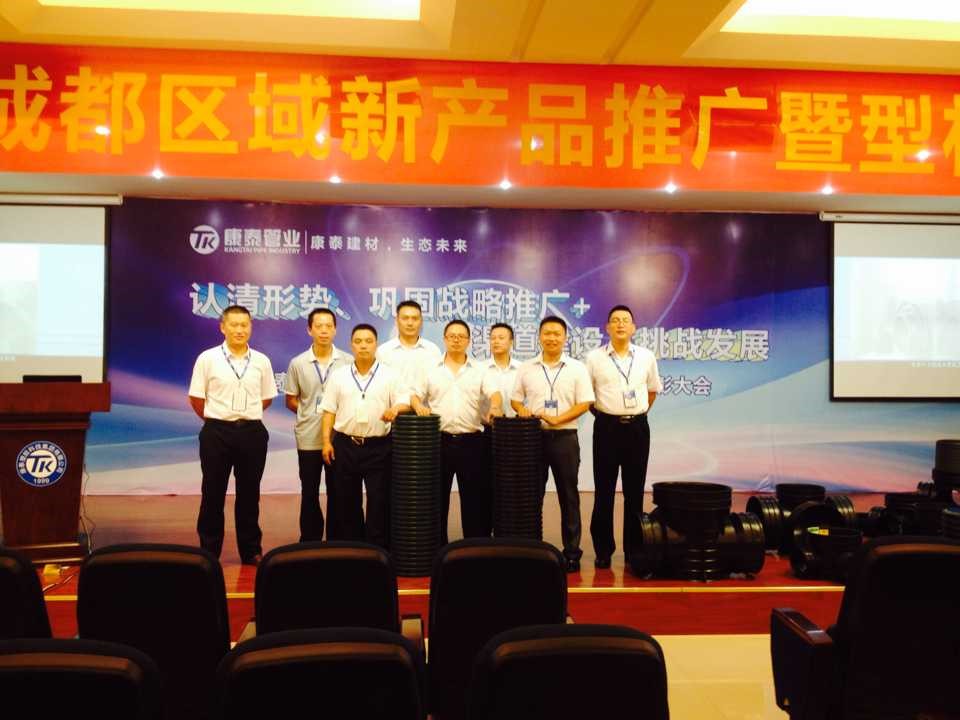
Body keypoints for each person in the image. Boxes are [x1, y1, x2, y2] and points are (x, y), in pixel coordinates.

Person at [188, 305, 277, 565]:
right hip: (216, 432)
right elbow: (196, 398)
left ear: (251, 327)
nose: (240, 330)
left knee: (249, 494)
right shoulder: (208, 358)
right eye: (234, 325)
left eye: (244, 325)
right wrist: (217, 418)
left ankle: (250, 550)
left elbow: (266, 397)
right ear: (222, 327)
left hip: (252, 432)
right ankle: (209, 550)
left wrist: (243, 416)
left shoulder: (261, 360)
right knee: (212, 493)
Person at [511, 316, 595, 572]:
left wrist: (559, 419)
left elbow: (585, 402)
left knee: (568, 496)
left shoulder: (577, 368)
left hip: (565, 438)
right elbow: (515, 399)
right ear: (539, 336)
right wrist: (522, 410)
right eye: (547, 333)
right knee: (531, 496)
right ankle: (532, 548)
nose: (551, 338)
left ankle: (572, 553)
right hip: (533, 438)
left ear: (565, 337)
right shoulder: (527, 367)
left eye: (557, 333)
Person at [411, 319, 503, 544]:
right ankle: (437, 549)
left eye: (461, 336)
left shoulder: (480, 370)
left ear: (468, 341)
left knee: (474, 500)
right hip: (438, 442)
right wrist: (418, 405)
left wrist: (495, 406)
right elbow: (414, 394)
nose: (456, 340)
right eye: (452, 336)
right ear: (444, 339)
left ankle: (474, 548)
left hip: (472, 442)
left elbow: (495, 393)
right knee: (436, 498)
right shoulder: (430, 368)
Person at [585, 305, 662, 569]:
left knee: (634, 492)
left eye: (625, 320)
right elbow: (587, 396)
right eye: (615, 320)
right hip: (606, 428)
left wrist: (635, 413)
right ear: (607, 327)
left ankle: (634, 549)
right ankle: (603, 550)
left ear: (633, 328)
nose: (620, 324)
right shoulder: (593, 358)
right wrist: (609, 415)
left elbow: (652, 391)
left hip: (637, 429)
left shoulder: (646, 357)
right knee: (603, 491)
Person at [320, 324, 410, 549]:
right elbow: (329, 410)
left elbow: (404, 401)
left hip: (379, 446)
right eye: (358, 341)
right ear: (351, 345)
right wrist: (326, 442)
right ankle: (353, 549)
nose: (363, 346)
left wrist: (395, 409)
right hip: (345, 444)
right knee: (347, 500)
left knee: (379, 500)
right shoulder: (339, 376)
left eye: (368, 341)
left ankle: (378, 551)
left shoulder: (390, 375)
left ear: (376, 344)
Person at [284, 307, 352, 542]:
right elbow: (291, 400)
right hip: (308, 437)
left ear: (335, 330)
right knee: (310, 491)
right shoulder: (298, 363)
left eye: (328, 326)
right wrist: (311, 414)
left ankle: (335, 539)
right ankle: (310, 539)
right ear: (309, 330)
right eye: (319, 326)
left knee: (337, 491)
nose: (324, 331)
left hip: (337, 437)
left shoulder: (347, 361)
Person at [376, 299, 442, 392]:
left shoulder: (433, 350)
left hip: (424, 402)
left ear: (421, 322)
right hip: (392, 401)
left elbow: (438, 384)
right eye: (405, 318)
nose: (410, 323)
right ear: (396, 321)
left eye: (415, 319)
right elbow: (378, 385)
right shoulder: (383, 352)